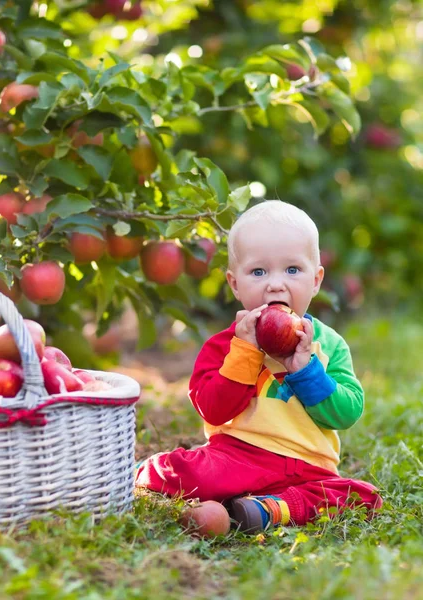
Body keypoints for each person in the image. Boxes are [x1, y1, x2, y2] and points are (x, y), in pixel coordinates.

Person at [135, 200, 382, 533]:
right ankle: (140, 470)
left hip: (309, 466)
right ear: (235, 284)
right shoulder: (225, 346)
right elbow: (213, 410)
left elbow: (347, 412)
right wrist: (247, 351)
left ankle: (267, 510)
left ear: (316, 280)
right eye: (258, 272)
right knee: (192, 471)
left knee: (362, 497)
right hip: (239, 458)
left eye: (292, 270)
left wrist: (306, 370)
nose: (275, 284)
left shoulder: (329, 345)